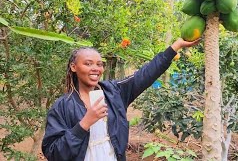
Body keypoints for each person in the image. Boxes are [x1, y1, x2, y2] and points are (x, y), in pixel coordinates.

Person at [41, 38, 200, 161]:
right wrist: (84, 124)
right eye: (88, 64)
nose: (96, 68)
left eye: (99, 64)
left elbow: (144, 75)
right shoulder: (61, 106)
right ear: (74, 67)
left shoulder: (114, 92)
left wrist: (175, 47)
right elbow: (53, 153)